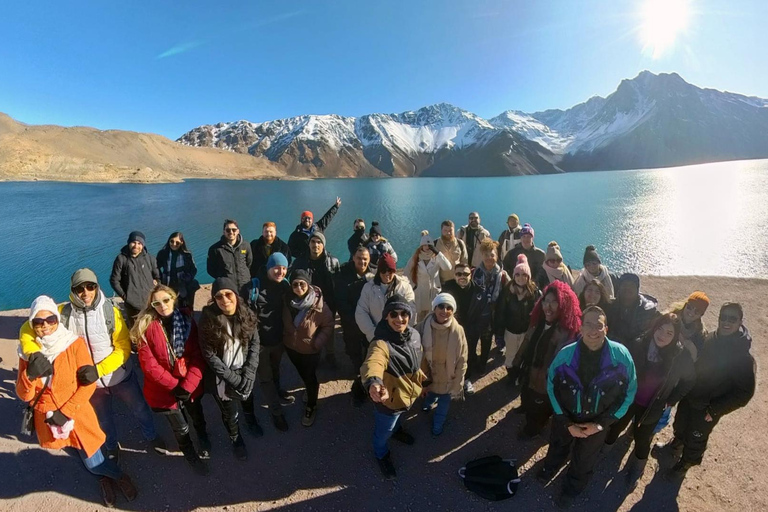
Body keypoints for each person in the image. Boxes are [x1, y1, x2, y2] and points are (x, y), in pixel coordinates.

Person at [19, 269, 162, 463]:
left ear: (96, 287)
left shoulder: (110, 312)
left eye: (90, 286)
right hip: (89, 383)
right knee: (103, 419)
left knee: (140, 409)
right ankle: (111, 446)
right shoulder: (63, 313)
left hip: (119, 377)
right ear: (73, 290)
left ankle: (151, 436)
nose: (85, 292)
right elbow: (28, 327)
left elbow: (123, 347)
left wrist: (98, 370)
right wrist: (32, 352)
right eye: (79, 288)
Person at [17, 296, 139, 508]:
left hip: (76, 413)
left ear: (57, 320)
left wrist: (66, 412)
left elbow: (88, 385)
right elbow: (24, 395)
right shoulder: (27, 354)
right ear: (31, 323)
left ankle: (118, 475)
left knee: (93, 460)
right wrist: (29, 375)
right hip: (49, 420)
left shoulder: (73, 345)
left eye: (50, 319)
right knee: (75, 452)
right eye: (38, 321)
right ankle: (104, 478)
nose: (45, 326)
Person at [540, 306, 637, 508]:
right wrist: (566, 422)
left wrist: (600, 424)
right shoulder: (565, 355)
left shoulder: (622, 357)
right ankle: (550, 467)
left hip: (597, 421)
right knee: (558, 445)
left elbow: (629, 393)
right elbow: (551, 386)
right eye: (588, 324)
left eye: (599, 325)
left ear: (606, 329)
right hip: (566, 417)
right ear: (580, 328)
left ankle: (572, 488)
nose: (594, 330)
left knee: (584, 460)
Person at [662, 303, 756, 480]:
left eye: (732, 319)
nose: (726, 322)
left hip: (707, 408)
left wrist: (715, 409)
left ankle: (685, 464)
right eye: (723, 317)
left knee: (696, 437)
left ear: (740, 322)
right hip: (690, 396)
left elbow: (744, 393)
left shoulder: (743, 358)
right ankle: (677, 443)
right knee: (680, 423)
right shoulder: (711, 338)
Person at [603, 313, 695, 490]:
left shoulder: (679, 356)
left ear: (675, 336)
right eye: (660, 329)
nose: (662, 335)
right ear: (654, 327)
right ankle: (605, 449)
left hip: (653, 406)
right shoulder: (640, 344)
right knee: (617, 424)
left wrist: (672, 399)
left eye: (669, 333)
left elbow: (689, 380)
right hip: (629, 399)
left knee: (642, 438)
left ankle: (637, 468)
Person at [130, 285, 210, 476]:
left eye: (166, 300)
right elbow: (149, 365)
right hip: (164, 389)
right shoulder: (145, 327)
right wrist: (175, 386)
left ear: (173, 299)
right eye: (156, 303)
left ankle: (202, 436)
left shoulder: (187, 321)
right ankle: (190, 454)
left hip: (189, 384)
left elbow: (198, 355)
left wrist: (187, 385)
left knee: (196, 414)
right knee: (180, 427)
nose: (162, 306)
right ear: (151, 305)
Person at [361, 295, 428, 480]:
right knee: (384, 432)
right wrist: (374, 382)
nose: (399, 319)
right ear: (386, 317)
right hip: (388, 401)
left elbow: (418, 361)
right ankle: (381, 453)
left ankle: (397, 431)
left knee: (397, 420)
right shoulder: (381, 343)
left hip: (407, 395)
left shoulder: (414, 335)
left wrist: (423, 381)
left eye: (404, 313)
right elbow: (373, 362)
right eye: (394, 314)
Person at [198, 278, 262, 461]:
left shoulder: (246, 313)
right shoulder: (208, 320)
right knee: (229, 412)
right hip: (222, 377)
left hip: (244, 369)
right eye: (218, 296)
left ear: (235, 294)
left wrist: (249, 372)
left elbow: (254, 344)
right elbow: (210, 355)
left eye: (228, 294)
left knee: (248, 398)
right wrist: (233, 379)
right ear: (214, 299)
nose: (224, 299)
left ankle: (250, 419)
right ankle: (236, 438)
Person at [509, 281, 582, 438]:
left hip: (544, 380)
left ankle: (533, 429)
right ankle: (525, 407)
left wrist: (549, 382)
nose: (548, 307)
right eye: (545, 301)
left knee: (538, 408)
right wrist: (516, 362)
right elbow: (527, 341)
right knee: (526, 393)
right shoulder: (538, 322)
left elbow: (559, 363)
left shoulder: (566, 333)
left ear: (564, 305)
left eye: (554, 302)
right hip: (529, 370)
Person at [282, 270, 334, 427]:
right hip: (291, 347)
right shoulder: (287, 301)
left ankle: (311, 405)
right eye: (295, 284)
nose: (298, 287)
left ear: (308, 285)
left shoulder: (318, 305)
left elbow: (328, 325)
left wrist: (317, 343)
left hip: (310, 350)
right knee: (302, 373)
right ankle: (308, 389)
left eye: (302, 284)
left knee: (310, 377)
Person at [251, 253, 294, 431]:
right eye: (276, 267)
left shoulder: (284, 285)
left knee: (275, 368)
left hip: (277, 339)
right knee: (265, 378)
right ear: (269, 267)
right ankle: (276, 412)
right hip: (260, 343)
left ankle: (277, 390)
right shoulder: (254, 287)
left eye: (284, 268)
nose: (280, 271)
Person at [415, 293, 468, 436]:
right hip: (429, 373)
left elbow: (462, 358)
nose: (445, 310)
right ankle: (427, 405)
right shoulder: (422, 327)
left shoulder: (458, 331)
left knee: (443, 405)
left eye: (449, 308)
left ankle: (437, 425)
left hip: (448, 376)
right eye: (441, 306)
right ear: (434, 308)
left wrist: (458, 382)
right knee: (430, 393)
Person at [463, 239, 509, 392]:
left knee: (487, 342)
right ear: (481, 255)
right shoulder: (474, 273)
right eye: (486, 255)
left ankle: (482, 365)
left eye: (492, 255)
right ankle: (470, 367)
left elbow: (510, 292)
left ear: (497, 256)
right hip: (476, 316)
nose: (489, 258)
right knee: (472, 343)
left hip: (492, 316)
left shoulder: (502, 276)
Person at [290, 232, 341, 366]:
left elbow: (338, 283)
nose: (316, 245)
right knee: (310, 330)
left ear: (323, 245)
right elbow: (293, 280)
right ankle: (312, 353)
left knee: (328, 329)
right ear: (309, 244)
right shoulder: (300, 262)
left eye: (319, 242)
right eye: (313, 242)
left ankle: (330, 354)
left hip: (328, 301)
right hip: (308, 302)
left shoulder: (333, 261)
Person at [334, 245, 374, 406]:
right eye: (359, 258)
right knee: (353, 348)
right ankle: (357, 368)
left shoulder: (373, 275)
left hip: (369, 321)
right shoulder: (343, 274)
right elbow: (340, 300)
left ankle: (367, 372)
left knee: (370, 347)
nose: (362, 262)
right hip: (351, 321)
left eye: (365, 259)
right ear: (353, 258)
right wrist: (354, 319)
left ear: (369, 260)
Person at [498, 255, 541, 379]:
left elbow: (538, 313)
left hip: (526, 332)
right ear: (514, 275)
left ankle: (518, 374)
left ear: (528, 276)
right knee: (511, 355)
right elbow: (501, 312)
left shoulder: (534, 293)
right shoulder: (507, 291)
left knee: (523, 354)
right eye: (517, 274)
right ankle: (511, 376)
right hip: (510, 331)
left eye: (524, 275)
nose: (520, 278)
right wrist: (499, 333)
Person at [355, 253, 416, 342]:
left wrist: (403, 331)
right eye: (383, 270)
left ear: (394, 271)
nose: (387, 273)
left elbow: (412, 310)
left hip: (400, 337)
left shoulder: (405, 288)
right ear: (379, 271)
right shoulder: (368, 288)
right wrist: (373, 333)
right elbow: (361, 312)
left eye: (390, 270)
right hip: (376, 337)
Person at [110, 230, 159, 326]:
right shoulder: (121, 259)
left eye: (139, 243)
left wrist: (156, 285)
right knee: (135, 329)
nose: (136, 246)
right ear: (129, 243)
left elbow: (158, 277)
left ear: (143, 245)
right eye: (133, 242)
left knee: (152, 327)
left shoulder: (150, 259)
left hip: (150, 303)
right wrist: (125, 296)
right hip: (132, 305)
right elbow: (114, 280)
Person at [403, 230, 451, 321]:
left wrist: (438, 253)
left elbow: (447, 267)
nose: (427, 247)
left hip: (433, 292)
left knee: (432, 318)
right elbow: (406, 273)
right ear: (421, 246)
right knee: (419, 318)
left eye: (429, 245)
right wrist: (413, 287)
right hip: (419, 293)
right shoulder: (416, 257)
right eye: (424, 245)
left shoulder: (436, 258)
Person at [608, 273, 660, 346]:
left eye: (631, 286)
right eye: (624, 285)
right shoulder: (610, 306)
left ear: (637, 289)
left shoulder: (648, 310)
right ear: (619, 288)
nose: (627, 289)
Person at [207, 219, 253, 299]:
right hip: (227, 288)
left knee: (246, 306)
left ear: (238, 231)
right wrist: (223, 279)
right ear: (224, 232)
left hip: (245, 286)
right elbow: (211, 270)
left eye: (234, 230)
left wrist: (244, 276)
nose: (231, 232)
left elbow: (249, 263)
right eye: (228, 230)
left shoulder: (246, 245)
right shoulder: (215, 249)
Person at [156, 232, 199, 309]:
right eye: (172, 241)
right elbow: (156, 267)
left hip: (182, 282)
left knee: (183, 304)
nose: (174, 244)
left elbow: (193, 269)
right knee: (168, 304)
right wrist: (159, 278)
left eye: (177, 242)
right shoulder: (163, 253)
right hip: (167, 282)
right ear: (169, 241)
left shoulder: (187, 255)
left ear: (182, 242)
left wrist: (188, 277)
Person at [667, 292, 710, 361]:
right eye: (689, 307)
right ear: (685, 305)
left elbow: (697, 358)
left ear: (701, 315)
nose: (691, 312)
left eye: (697, 311)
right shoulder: (670, 318)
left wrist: (688, 345)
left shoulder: (700, 334)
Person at [434, 220, 468, 285]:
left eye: (450, 230)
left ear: (454, 230)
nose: (448, 233)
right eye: (445, 231)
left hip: (457, 281)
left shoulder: (460, 243)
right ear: (441, 231)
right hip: (442, 282)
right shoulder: (435, 244)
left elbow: (464, 261)